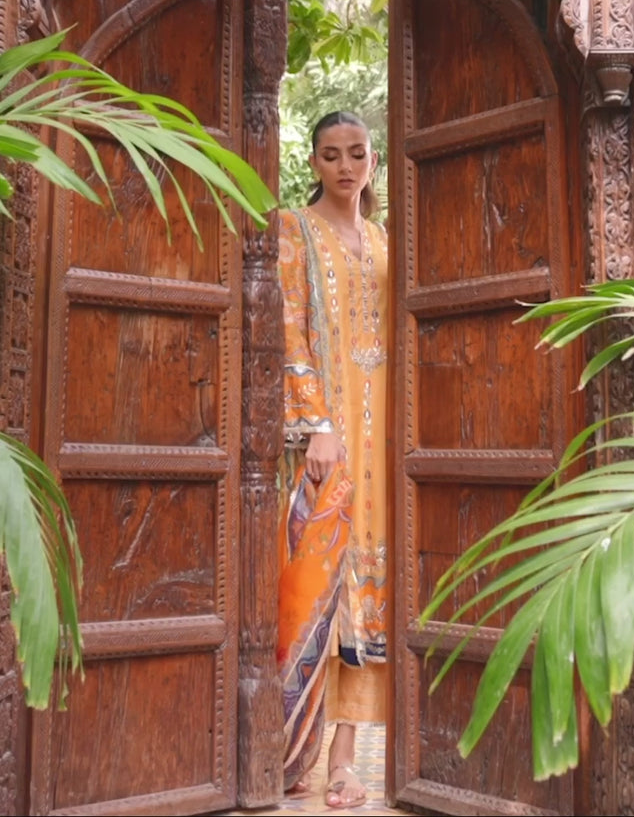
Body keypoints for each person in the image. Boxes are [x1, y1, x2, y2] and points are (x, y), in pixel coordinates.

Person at [276, 110, 388, 809]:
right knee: (313, 582)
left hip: (383, 439)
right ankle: (288, 751)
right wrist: (315, 423)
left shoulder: (384, 240)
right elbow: (288, 325)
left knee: (370, 600)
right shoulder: (295, 229)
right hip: (327, 438)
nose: (345, 166)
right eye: (330, 154)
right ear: (314, 163)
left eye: (356, 152)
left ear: (373, 160)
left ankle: (345, 760)